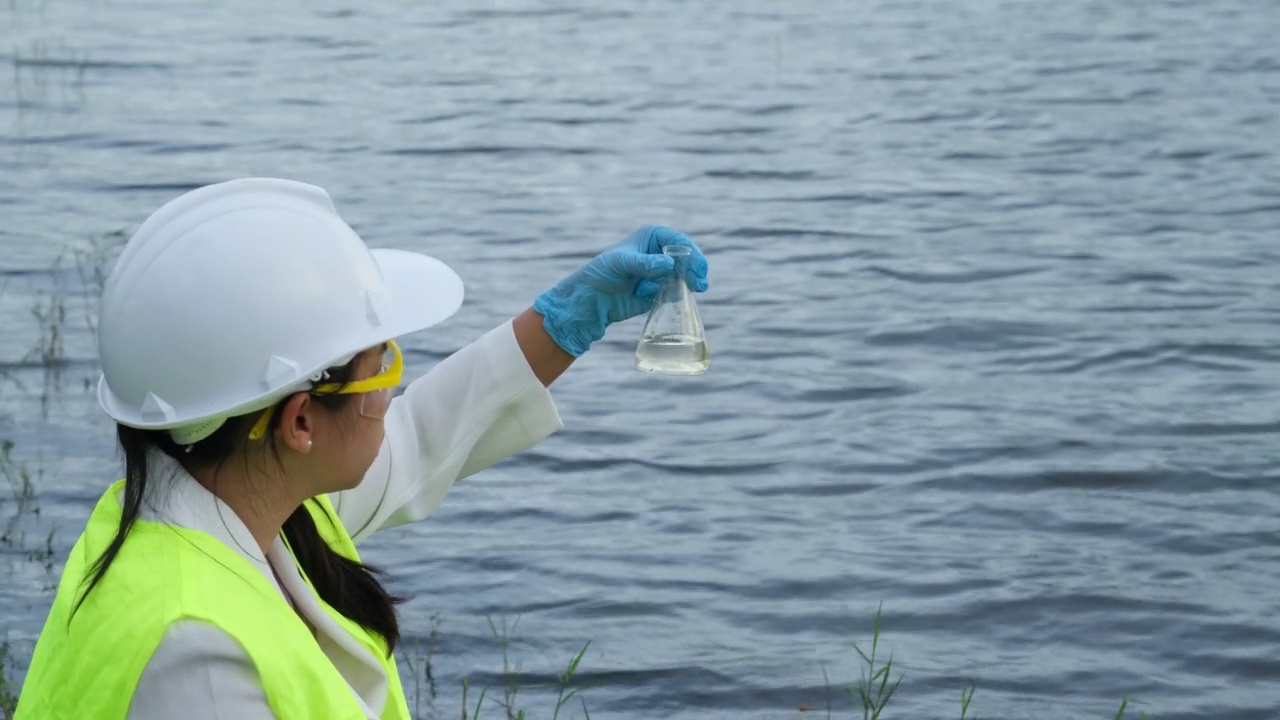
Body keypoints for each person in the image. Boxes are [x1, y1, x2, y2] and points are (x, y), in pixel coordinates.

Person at [13, 178, 709, 719]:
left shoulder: (238, 497)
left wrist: (564, 323)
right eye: (384, 365)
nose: (391, 393)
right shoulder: (197, 657)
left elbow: (416, 442)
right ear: (300, 423)